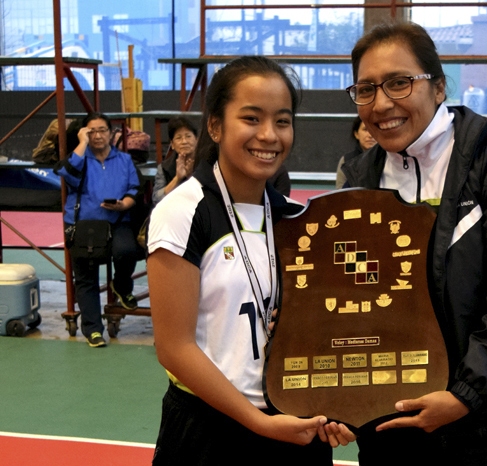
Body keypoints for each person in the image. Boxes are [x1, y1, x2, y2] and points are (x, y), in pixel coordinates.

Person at [340, 22, 487, 465]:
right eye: (365, 89)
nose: (381, 104)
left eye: (399, 83)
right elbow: (351, 295)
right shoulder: (360, 178)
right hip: (387, 421)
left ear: (439, 87)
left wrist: (465, 395)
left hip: (480, 424)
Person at [146, 56, 350, 465]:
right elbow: (174, 347)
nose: (269, 135)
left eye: (282, 121)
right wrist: (258, 423)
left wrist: (337, 407)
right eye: (252, 118)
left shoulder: (297, 218)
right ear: (215, 126)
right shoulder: (183, 211)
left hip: (294, 421)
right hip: (210, 430)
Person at [55, 112, 141, 347]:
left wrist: (124, 204)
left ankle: (121, 286)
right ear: (84, 134)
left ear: (111, 133)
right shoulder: (79, 158)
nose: (97, 135)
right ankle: (93, 330)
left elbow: (135, 188)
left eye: (102, 130)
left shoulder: (124, 160)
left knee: (127, 252)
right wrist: (82, 143)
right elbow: (67, 173)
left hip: (117, 221)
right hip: (84, 226)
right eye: (91, 131)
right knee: (86, 278)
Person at [152, 117, 198, 205]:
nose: (184, 141)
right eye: (178, 138)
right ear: (172, 144)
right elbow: (156, 199)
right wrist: (177, 178)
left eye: (188, 136)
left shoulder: (207, 162)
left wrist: (191, 177)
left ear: (196, 139)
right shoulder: (164, 167)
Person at [335, 116, 376, 188]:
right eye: (365, 130)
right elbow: (340, 192)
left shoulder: (388, 159)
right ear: (356, 134)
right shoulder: (347, 160)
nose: (370, 135)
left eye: (374, 130)